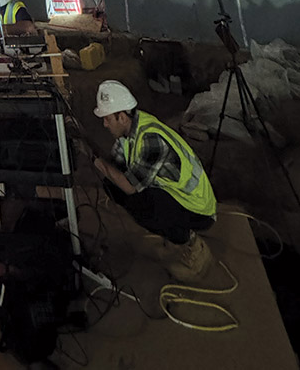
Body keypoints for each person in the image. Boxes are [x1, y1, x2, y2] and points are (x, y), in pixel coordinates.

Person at [92, 79, 216, 281]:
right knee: (112, 185)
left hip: (198, 208)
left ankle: (193, 246)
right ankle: (173, 234)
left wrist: (94, 158)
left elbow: (130, 186)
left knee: (145, 202)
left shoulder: (150, 138)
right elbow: (114, 167)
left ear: (121, 116)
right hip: (176, 197)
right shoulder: (129, 131)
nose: (105, 124)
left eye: (107, 119)